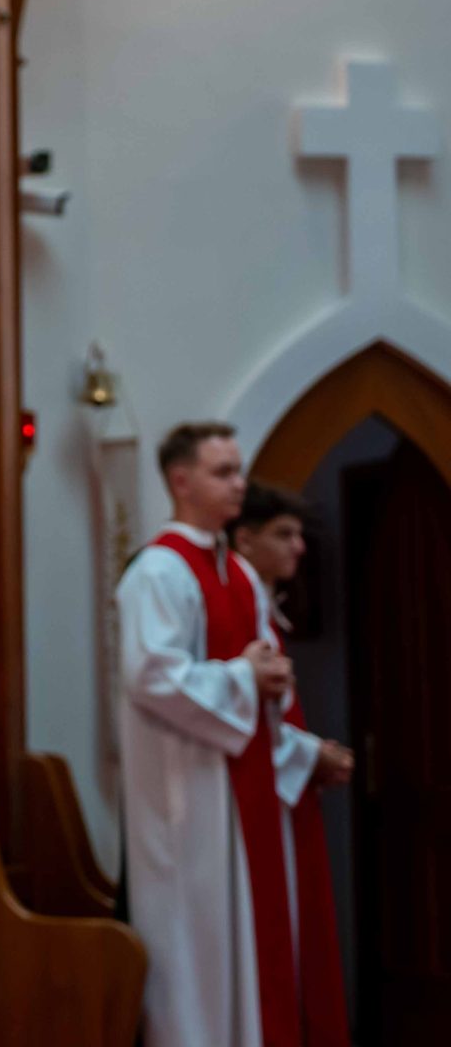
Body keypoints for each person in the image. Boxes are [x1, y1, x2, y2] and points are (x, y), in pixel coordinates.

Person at [117, 424, 352, 1047]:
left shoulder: (240, 575)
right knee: (196, 965)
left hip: (240, 799)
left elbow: (261, 670)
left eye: (239, 470)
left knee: (246, 961)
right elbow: (150, 676)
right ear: (181, 481)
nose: (239, 484)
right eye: (223, 472)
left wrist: (271, 683)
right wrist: (245, 676)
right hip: (186, 807)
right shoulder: (157, 572)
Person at [229, 481, 352, 1044]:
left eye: (299, 534)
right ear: (244, 540)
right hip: (259, 796)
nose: (298, 547)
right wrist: (311, 754)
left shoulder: (263, 604)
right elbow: (243, 720)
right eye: (284, 534)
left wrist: (309, 752)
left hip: (285, 790)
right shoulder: (237, 604)